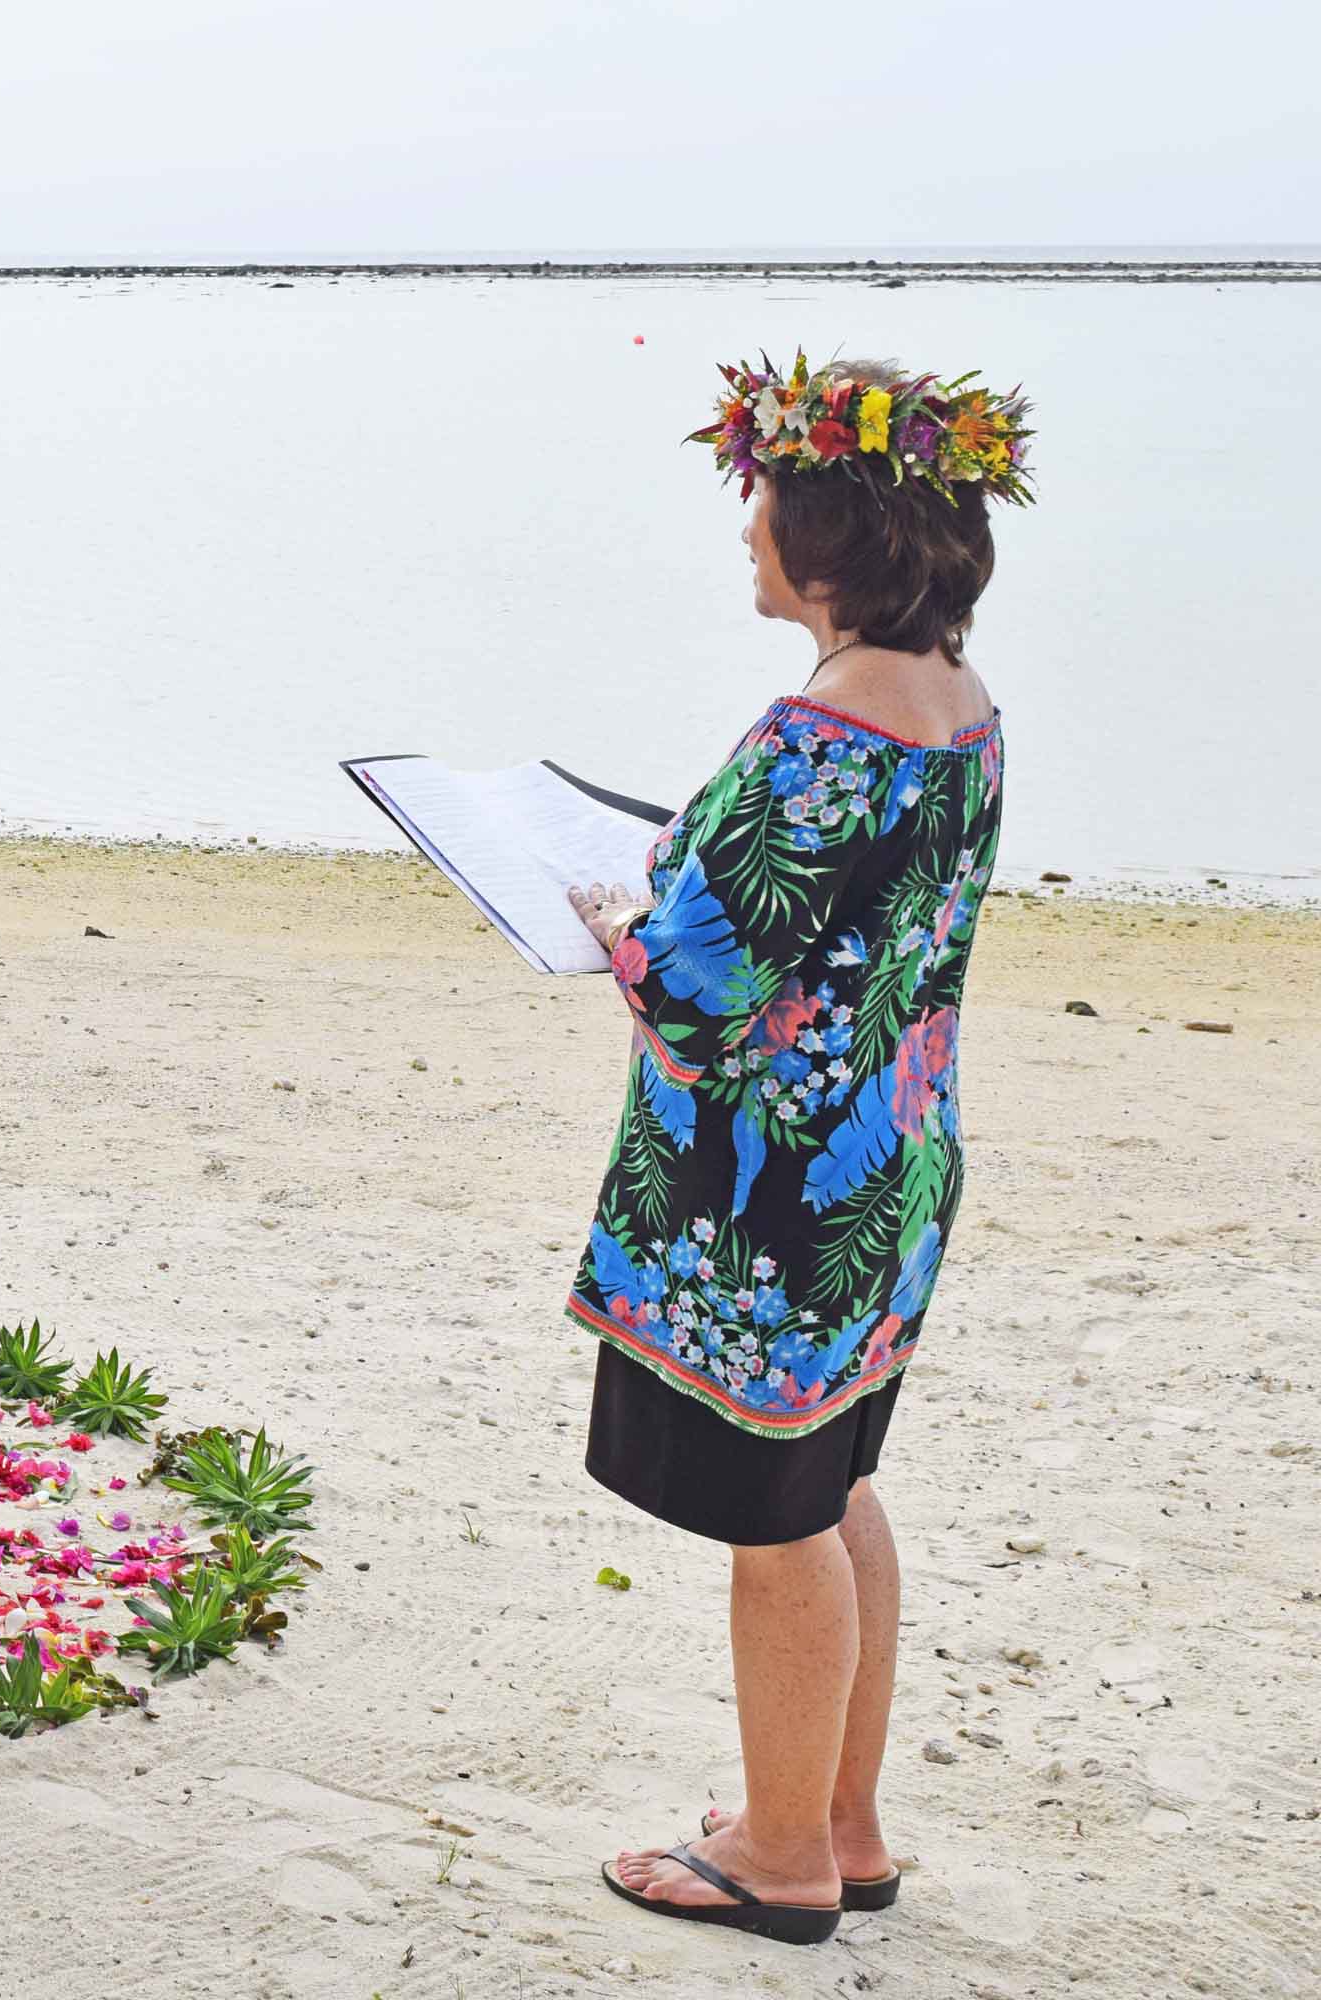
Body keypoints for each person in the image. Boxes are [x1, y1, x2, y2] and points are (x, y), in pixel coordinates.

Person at [567, 353, 1029, 1945]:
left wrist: (613, 923)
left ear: (824, 537)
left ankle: (779, 1859)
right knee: (835, 1486)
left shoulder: (818, 734)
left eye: (760, 500)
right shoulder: (960, 706)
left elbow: (700, 995)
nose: (744, 528)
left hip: (769, 1195)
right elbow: (844, 923)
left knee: (778, 1525)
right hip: (891, 1162)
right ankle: (840, 1819)